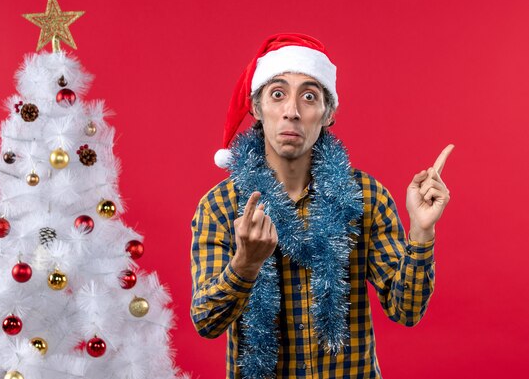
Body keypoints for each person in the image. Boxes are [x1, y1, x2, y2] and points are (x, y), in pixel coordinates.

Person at [190, 33, 453, 379]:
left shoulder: (365, 197)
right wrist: (246, 264)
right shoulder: (220, 206)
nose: (292, 112)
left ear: (329, 113)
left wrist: (421, 231)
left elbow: (407, 310)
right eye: (278, 94)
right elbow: (206, 322)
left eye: (309, 97)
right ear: (257, 108)